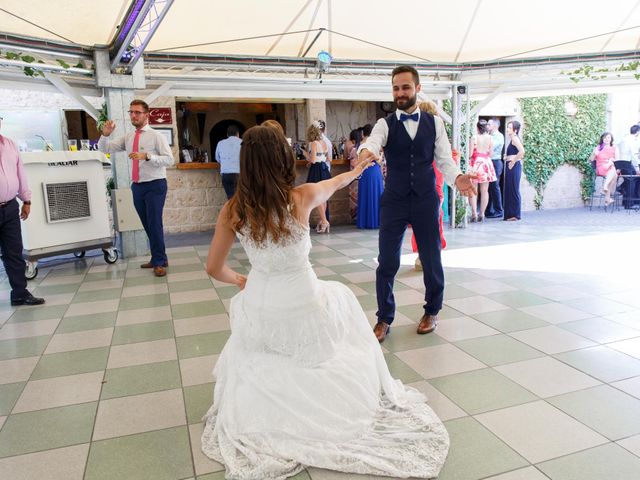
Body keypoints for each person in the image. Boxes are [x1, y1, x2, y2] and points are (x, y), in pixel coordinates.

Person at [201, 125, 449, 479]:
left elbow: (213, 267)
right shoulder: (301, 197)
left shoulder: (232, 209)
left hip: (261, 305)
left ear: (247, 163)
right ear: (281, 158)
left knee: (266, 341)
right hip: (301, 304)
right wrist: (361, 167)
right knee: (341, 298)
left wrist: (242, 279)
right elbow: (340, 181)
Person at [358, 65, 477, 343]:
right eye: (396, 88)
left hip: (425, 199)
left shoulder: (434, 123)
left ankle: (431, 311)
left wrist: (457, 178)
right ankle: (384, 318)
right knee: (387, 261)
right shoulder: (384, 124)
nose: (400, 93)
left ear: (417, 88)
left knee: (432, 259)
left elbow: (445, 159)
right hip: (395, 201)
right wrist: (366, 152)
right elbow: (373, 143)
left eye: (405, 87)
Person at [99, 99, 174, 277]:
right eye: (131, 112)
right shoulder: (129, 137)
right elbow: (105, 148)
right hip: (138, 186)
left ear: (146, 115)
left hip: (155, 184)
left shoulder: (156, 136)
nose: (133, 115)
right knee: (147, 224)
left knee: (154, 223)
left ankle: (158, 262)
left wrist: (147, 156)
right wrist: (105, 134)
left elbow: (169, 159)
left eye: (137, 112)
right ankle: (160, 257)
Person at [0, 123, 45, 306]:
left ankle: (19, 293)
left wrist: (26, 200)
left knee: (14, 252)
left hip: (10, 207)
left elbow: (20, 173)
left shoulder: (9, 144)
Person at [413, 100, 448, 271]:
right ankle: (428, 255)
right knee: (432, 221)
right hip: (434, 182)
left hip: (426, 182)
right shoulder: (437, 133)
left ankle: (424, 256)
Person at [303, 123, 331, 233]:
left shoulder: (314, 143)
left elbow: (313, 160)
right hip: (324, 169)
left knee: (317, 196)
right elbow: (329, 158)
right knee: (323, 197)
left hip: (316, 169)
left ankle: (324, 221)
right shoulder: (324, 143)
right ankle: (322, 221)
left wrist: (306, 155)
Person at [355, 123, 384, 229]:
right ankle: (376, 221)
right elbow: (379, 160)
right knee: (376, 194)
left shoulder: (362, 143)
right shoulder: (375, 144)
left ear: (363, 133)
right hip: (374, 170)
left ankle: (365, 221)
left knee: (366, 194)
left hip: (365, 171)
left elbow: (358, 162)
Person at [468, 119, 497, 222]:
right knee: (485, 191)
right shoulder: (490, 138)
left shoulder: (474, 138)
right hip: (486, 162)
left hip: (476, 163)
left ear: (477, 128)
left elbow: (470, 154)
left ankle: (474, 213)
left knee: (473, 190)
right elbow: (491, 153)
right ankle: (482, 213)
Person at [503, 120, 525, 220]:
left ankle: (515, 214)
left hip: (514, 166)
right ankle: (510, 214)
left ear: (515, 130)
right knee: (510, 188)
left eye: (509, 127)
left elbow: (522, 151)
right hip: (510, 165)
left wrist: (513, 162)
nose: (507, 129)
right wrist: (506, 157)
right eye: (507, 127)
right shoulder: (512, 139)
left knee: (513, 189)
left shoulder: (515, 139)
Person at [588, 132, 617, 207]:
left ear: (611, 139)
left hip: (610, 167)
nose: (607, 139)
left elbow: (617, 159)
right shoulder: (598, 147)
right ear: (602, 139)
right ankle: (605, 190)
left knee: (614, 175)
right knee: (614, 173)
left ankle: (606, 193)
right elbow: (591, 160)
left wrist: (611, 160)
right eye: (605, 138)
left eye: (609, 138)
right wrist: (594, 153)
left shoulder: (614, 147)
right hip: (601, 167)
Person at [215, 124, 242, 199]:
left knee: (231, 198)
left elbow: (217, 158)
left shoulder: (220, 143)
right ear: (238, 134)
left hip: (226, 175)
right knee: (239, 199)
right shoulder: (243, 143)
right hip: (239, 174)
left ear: (227, 134)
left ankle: (231, 210)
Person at [616, 125, 640, 208]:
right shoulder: (633, 141)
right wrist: (637, 168)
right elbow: (633, 155)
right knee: (632, 180)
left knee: (630, 180)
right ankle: (628, 204)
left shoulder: (624, 138)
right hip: (627, 163)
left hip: (620, 163)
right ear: (637, 132)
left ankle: (621, 188)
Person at [485, 117, 505, 218]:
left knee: (495, 186)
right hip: (489, 161)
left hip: (496, 162)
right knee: (489, 187)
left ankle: (499, 210)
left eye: (489, 124)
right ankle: (489, 210)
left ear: (495, 125)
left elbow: (491, 147)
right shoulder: (489, 135)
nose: (487, 126)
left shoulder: (499, 136)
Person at [345, 128, 362, 220]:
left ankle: (355, 217)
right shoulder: (361, 148)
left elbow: (345, 156)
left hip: (353, 175)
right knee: (360, 195)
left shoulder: (351, 148)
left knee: (353, 196)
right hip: (360, 174)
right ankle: (360, 215)